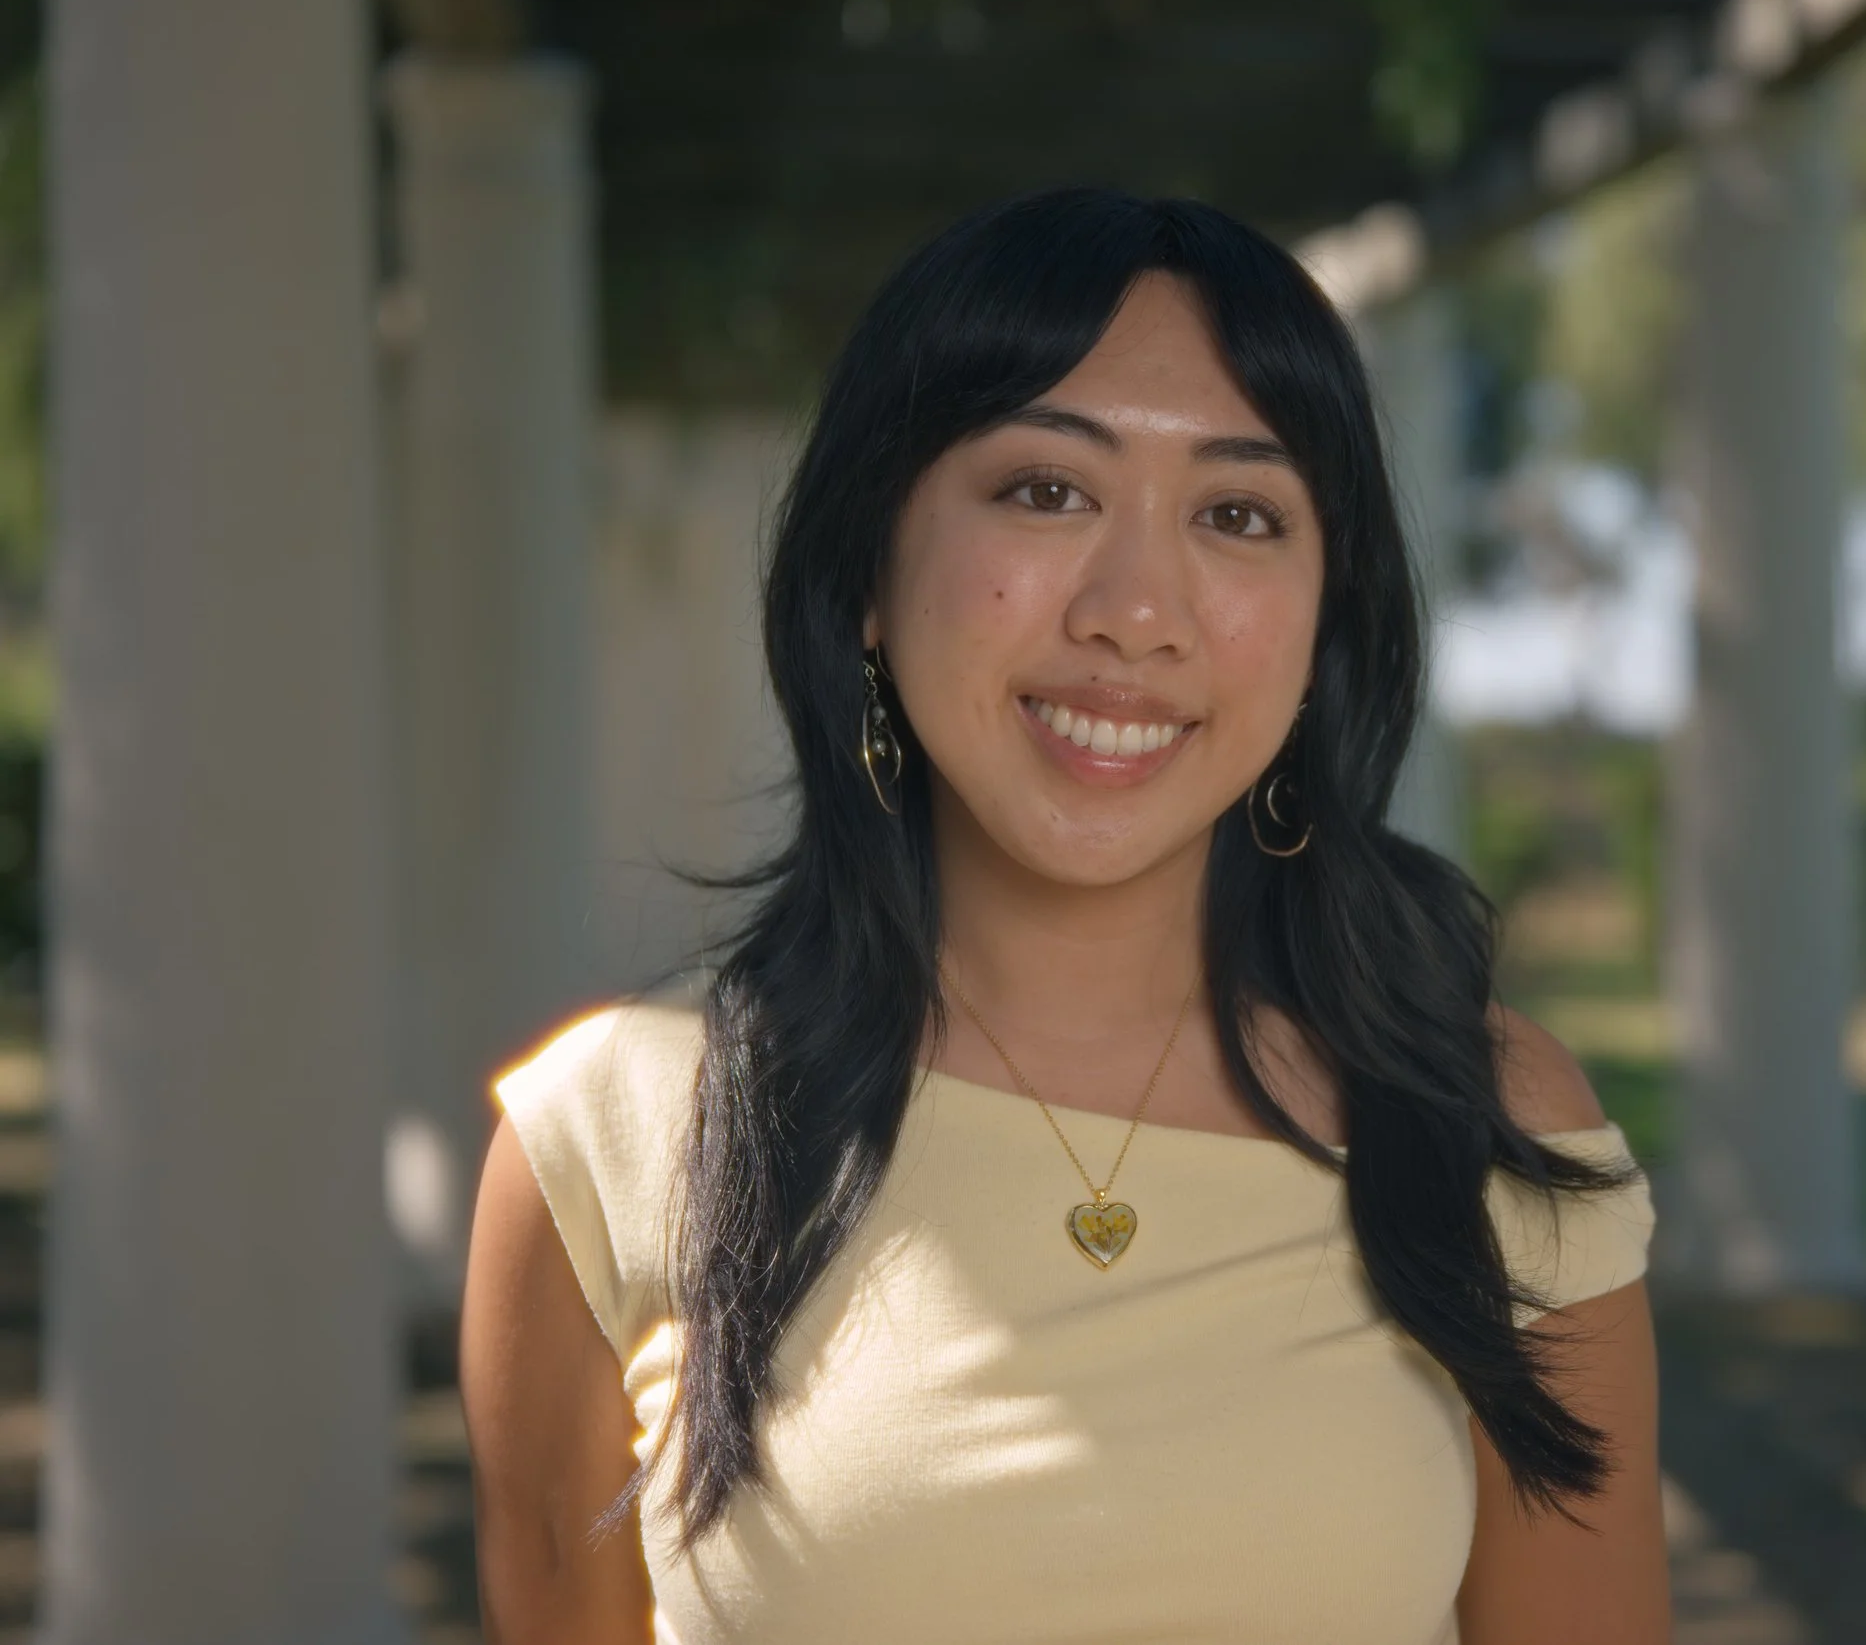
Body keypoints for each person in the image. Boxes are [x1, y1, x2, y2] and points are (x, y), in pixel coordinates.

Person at [461, 188, 1672, 1643]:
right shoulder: (614, 1140)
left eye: (1237, 512)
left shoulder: (1482, 1126)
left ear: (1322, 619)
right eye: (1046, 489)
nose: (1137, 608)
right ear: (866, 573)